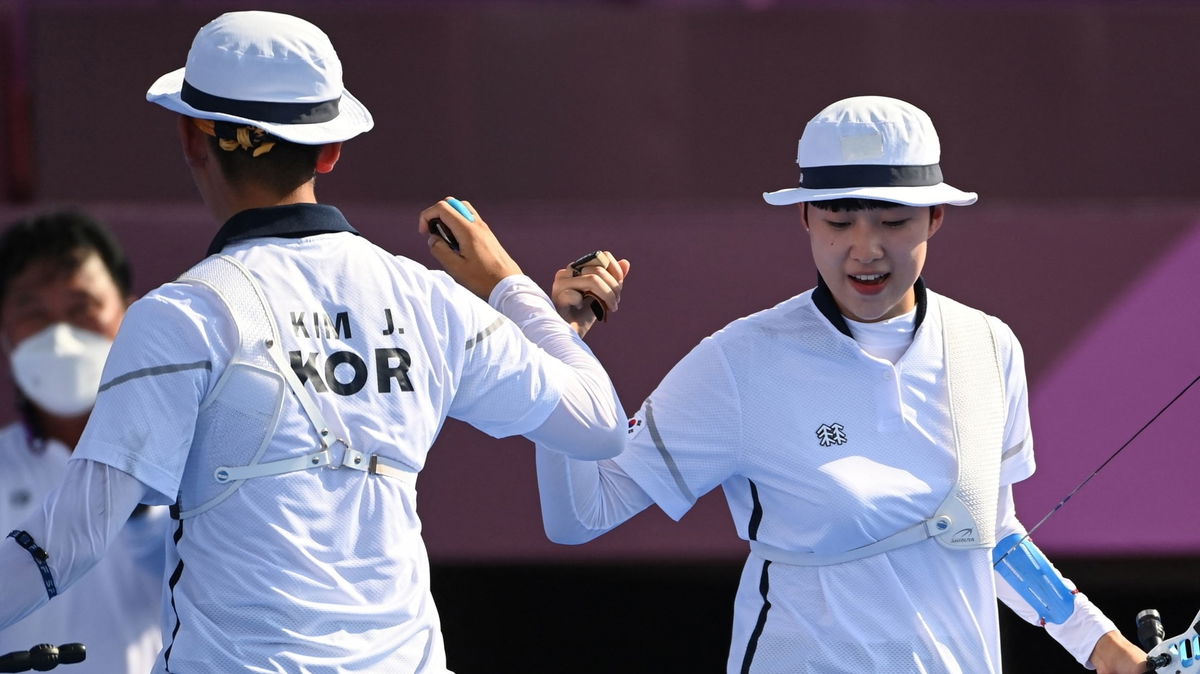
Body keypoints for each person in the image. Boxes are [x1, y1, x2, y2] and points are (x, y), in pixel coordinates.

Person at [0, 11, 623, 673]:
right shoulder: (432, 300)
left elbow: (73, 536)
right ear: (330, 151)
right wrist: (506, 282)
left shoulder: (183, 315)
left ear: (190, 137)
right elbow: (598, 424)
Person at [537, 96, 1149, 673]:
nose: (865, 249)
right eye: (839, 220)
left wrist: (1098, 643)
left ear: (935, 218)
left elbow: (988, 533)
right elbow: (581, 514)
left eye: (893, 220)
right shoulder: (738, 360)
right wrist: (559, 343)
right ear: (804, 217)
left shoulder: (990, 345)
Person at [0, 210, 164, 673]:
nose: (61, 338)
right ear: (5, 331)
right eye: (34, 313)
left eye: (81, 308)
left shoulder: (185, 471)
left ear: (129, 316)